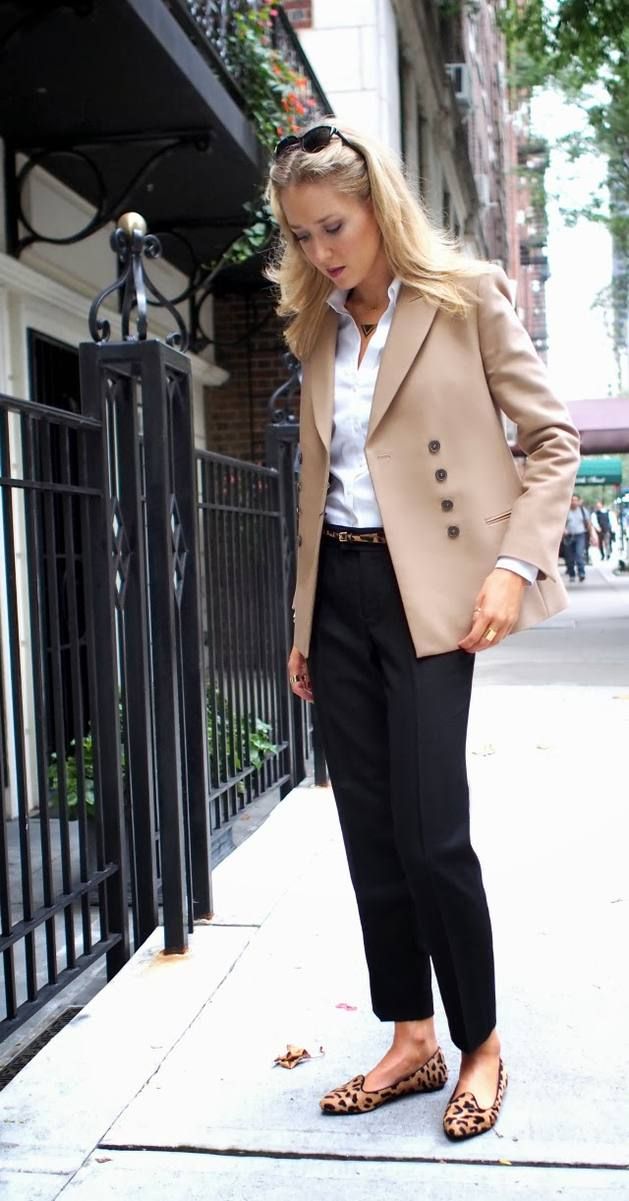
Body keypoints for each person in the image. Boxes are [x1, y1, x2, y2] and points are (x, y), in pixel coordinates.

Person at [266, 122, 579, 1142]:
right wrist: (303, 618)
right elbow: (317, 482)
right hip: (339, 592)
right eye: (301, 234)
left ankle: (479, 1042)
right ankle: (410, 1038)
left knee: (431, 831)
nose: (319, 251)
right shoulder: (316, 325)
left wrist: (512, 564)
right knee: (368, 831)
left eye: (333, 226)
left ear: (377, 208)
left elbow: (550, 440)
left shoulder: (463, 296)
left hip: (429, 594)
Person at [563, 494, 591, 581]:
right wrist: (564, 530)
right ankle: (571, 574)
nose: (573, 502)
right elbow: (560, 524)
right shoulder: (565, 511)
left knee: (579, 554)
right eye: (572, 500)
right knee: (569, 557)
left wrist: (592, 535)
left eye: (575, 500)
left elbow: (588, 523)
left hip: (580, 535)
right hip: (568, 536)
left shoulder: (583, 511)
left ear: (579, 501)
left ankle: (581, 573)